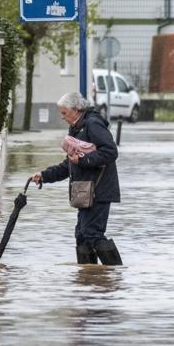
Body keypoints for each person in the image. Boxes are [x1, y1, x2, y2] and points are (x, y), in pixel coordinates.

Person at [31, 92, 123, 265]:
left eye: (65, 112)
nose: (62, 117)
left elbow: (111, 152)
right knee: (81, 235)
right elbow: (69, 165)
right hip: (86, 193)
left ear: (77, 109)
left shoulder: (93, 124)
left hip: (99, 191)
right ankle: (88, 277)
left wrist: (84, 160)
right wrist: (44, 176)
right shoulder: (77, 128)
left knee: (92, 234)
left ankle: (114, 273)